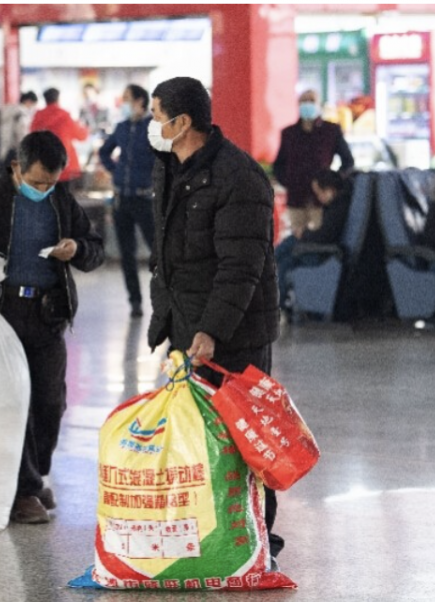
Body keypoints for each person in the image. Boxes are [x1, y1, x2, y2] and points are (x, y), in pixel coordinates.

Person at [145, 77, 284, 565]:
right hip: (185, 326)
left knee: (244, 441)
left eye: (156, 113)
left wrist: (213, 331)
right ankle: (211, 537)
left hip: (233, 335)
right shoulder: (170, 166)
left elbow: (241, 267)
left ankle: (257, 542)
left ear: (181, 123)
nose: (151, 123)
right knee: (198, 441)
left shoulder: (239, 177)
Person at [0, 131, 104, 524]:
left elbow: (95, 248)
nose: (43, 189)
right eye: (37, 181)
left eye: (51, 183)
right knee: (10, 402)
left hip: (47, 313)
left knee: (49, 404)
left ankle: (33, 478)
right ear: (17, 167)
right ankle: (23, 491)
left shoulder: (61, 202)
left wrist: (77, 250)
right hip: (1, 313)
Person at [99, 84, 157, 318]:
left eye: (127, 99)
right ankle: (135, 301)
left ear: (140, 101)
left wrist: (151, 177)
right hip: (121, 198)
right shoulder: (122, 128)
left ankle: (166, 300)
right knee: (127, 253)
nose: (123, 103)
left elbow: (165, 158)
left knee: (157, 251)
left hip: (144, 198)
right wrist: (116, 171)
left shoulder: (154, 128)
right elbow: (105, 152)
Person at [273, 89, 355, 232]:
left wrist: (333, 183)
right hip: (296, 198)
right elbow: (279, 164)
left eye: (311, 101)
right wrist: (288, 181)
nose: (307, 104)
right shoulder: (289, 133)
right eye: (304, 101)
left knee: (321, 236)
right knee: (296, 239)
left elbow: (348, 161)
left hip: (322, 199)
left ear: (318, 104)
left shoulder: (331, 131)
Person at [275, 169, 353, 313]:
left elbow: (325, 236)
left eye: (319, 193)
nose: (318, 197)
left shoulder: (338, 207)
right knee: (285, 262)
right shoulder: (340, 203)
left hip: (325, 252)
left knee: (289, 247)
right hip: (326, 249)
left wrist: (304, 234)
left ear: (329, 190)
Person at [30, 88, 89, 187]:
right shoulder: (65, 116)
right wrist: (86, 129)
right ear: (58, 99)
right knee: (63, 196)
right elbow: (81, 136)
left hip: (43, 163)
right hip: (63, 164)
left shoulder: (38, 116)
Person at [0, 91, 39, 170]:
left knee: (7, 176)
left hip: (4, 151)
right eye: (33, 105)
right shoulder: (22, 115)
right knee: (15, 179)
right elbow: (22, 136)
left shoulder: (8, 111)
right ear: (28, 101)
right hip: (15, 154)